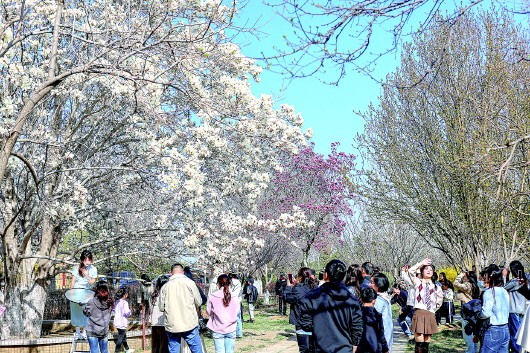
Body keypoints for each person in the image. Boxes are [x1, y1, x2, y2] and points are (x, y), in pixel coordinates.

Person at [298, 259, 363, 353]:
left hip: (320, 347)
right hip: (344, 348)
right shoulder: (352, 300)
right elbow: (357, 326)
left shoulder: (311, 297)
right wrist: (355, 344)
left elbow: (305, 324)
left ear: (326, 275)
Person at [158, 263, 203, 353]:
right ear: (183, 272)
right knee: (197, 350)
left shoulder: (165, 287)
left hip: (172, 325)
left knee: (174, 350)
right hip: (189, 323)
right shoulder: (190, 283)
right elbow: (199, 302)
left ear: (171, 273)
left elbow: (161, 308)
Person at [408, 258, 443, 353]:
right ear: (422, 271)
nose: (429, 271)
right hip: (419, 313)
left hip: (430, 314)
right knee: (419, 339)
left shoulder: (436, 287)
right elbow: (410, 271)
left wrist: (432, 310)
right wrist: (421, 263)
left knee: (427, 341)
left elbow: (439, 301)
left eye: (431, 270)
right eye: (426, 269)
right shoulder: (418, 282)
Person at [284, 267, 317, 353]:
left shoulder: (298, 289)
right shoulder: (315, 288)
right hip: (314, 323)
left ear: (300, 277)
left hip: (301, 323)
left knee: (304, 349)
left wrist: (288, 287)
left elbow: (287, 298)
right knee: (313, 349)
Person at [207, 274, 241, 353]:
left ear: (218, 284)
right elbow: (238, 312)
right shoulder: (235, 296)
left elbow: (208, 312)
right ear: (229, 283)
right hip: (231, 328)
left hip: (217, 328)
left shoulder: (213, 296)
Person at [480, 264, 509, 353]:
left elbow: (486, 313)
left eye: (486, 275)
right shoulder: (504, 291)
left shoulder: (489, 292)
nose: (485, 278)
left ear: (491, 276)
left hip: (493, 329)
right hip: (505, 329)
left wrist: (478, 315)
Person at [71, 249, 98, 340]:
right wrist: (71, 292)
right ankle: (77, 332)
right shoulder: (76, 267)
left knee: (86, 312)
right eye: (85, 260)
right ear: (82, 259)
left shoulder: (93, 269)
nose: (87, 262)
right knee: (76, 312)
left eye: (89, 260)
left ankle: (84, 332)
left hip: (86, 293)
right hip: (76, 292)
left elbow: (91, 283)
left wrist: (86, 275)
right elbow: (73, 280)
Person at [83, 281, 114, 353]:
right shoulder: (110, 302)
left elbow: (86, 313)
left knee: (94, 351)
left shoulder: (91, 302)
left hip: (92, 330)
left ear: (97, 289)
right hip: (104, 330)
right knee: (105, 351)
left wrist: (83, 306)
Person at [455, 270, 481, 353]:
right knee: (474, 334)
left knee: (467, 334)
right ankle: (474, 350)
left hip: (467, 311)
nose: (464, 277)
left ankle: (470, 351)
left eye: (465, 276)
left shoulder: (467, 285)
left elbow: (455, 284)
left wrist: (460, 275)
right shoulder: (477, 286)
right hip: (475, 310)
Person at [505, 260, 528, 353]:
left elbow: (502, 288)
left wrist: (504, 276)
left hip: (514, 311)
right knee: (522, 335)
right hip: (523, 311)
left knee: (515, 335)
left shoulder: (516, 281)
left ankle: (516, 351)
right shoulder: (526, 279)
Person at [358, 287, 389, 353]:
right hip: (375, 347)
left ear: (361, 299)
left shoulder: (357, 315)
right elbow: (381, 335)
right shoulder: (377, 315)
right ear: (374, 300)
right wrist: (385, 349)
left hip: (360, 348)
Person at [370, 273, 393, 352]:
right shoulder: (385, 297)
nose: (369, 285)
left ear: (378, 285)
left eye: (372, 283)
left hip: (381, 338)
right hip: (386, 336)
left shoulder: (378, 300)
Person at [150, 275, 170, 353]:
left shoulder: (153, 296)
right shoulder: (166, 296)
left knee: (155, 346)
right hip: (164, 324)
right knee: (164, 347)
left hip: (154, 323)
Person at [114, 287, 133, 353]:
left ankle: (127, 349)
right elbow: (127, 313)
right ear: (125, 295)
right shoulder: (125, 303)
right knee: (121, 337)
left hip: (117, 322)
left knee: (123, 336)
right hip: (122, 322)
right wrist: (130, 311)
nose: (127, 295)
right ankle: (117, 351)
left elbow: (114, 310)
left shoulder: (117, 301)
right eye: (127, 293)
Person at [229, 273, 243, 338]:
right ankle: (239, 333)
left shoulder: (231, 283)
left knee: (234, 318)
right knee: (238, 318)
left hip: (233, 301)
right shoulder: (239, 283)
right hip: (238, 301)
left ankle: (235, 332)